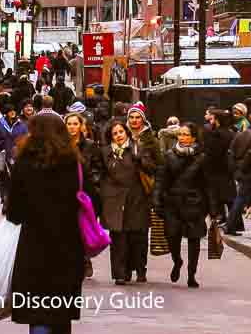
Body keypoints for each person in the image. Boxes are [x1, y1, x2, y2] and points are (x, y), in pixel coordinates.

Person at [7, 114, 85, 334]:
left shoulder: (24, 163)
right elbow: (91, 202)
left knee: (38, 311)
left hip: (34, 248)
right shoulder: (73, 163)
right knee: (60, 314)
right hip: (68, 247)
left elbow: (14, 213)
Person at [154, 121, 208, 288]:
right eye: (180, 134)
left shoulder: (202, 157)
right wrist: (156, 200)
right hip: (173, 203)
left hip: (194, 203)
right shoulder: (169, 155)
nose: (183, 137)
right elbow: (161, 180)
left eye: (186, 135)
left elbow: (208, 184)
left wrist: (213, 208)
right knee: (172, 236)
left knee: (194, 239)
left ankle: (192, 274)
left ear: (193, 137)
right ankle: (177, 261)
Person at [98, 119, 152, 285]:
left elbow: (152, 167)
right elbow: (99, 172)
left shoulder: (138, 147)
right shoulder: (105, 151)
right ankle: (120, 274)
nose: (118, 136)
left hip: (136, 197)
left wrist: (140, 159)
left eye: (121, 132)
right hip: (114, 197)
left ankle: (138, 269)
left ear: (126, 133)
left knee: (137, 236)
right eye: (115, 133)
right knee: (118, 236)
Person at [66, 109, 101, 279]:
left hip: (86, 193)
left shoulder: (90, 145)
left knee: (84, 227)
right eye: (69, 124)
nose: (72, 127)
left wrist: (94, 184)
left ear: (81, 126)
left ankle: (86, 260)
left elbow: (97, 167)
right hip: (67, 193)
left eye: (75, 124)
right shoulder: (62, 145)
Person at [225, 112, 251, 235]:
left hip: (239, 171)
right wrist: (243, 167)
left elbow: (230, 152)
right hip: (248, 172)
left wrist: (234, 169)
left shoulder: (240, 134)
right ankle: (230, 226)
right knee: (241, 199)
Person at [0, 101, 28, 212]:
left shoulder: (21, 125)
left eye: (14, 111)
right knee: (4, 180)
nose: (13, 113)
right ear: (6, 113)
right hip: (3, 156)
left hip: (18, 156)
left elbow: (26, 139)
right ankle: (5, 201)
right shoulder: (0, 125)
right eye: (10, 111)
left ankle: (13, 202)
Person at [202, 110, 236, 223]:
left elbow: (211, 153)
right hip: (227, 169)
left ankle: (221, 219)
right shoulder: (230, 132)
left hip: (216, 169)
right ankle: (235, 222)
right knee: (230, 198)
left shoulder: (215, 134)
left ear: (217, 120)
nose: (210, 121)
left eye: (212, 119)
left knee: (216, 196)